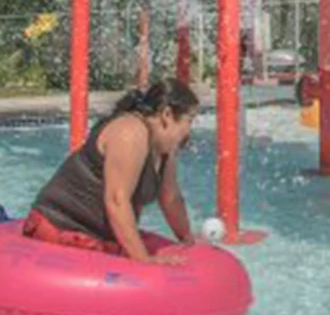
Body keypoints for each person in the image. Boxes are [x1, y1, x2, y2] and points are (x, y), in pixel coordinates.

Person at [23, 79, 199, 263]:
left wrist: (188, 241)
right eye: (189, 121)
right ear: (167, 114)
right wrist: (144, 261)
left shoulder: (164, 151)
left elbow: (171, 199)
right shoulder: (130, 133)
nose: (189, 131)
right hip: (61, 228)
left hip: (97, 237)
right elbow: (116, 200)